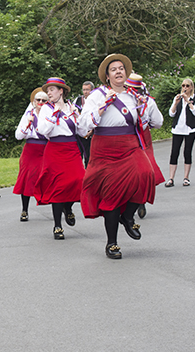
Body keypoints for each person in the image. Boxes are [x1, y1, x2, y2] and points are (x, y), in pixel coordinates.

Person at [79, 54, 155, 259]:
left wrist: (144, 106)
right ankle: (111, 243)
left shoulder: (133, 95)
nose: (119, 71)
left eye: (121, 68)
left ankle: (127, 217)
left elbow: (149, 123)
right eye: (114, 69)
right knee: (111, 195)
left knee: (146, 174)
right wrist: (102, 106)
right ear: (107, 75)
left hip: (129, 144)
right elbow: (83, 125)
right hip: (104, 148)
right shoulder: (96, 95)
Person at [34, 78, 88, 240]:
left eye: (52, 90)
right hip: (55, 149)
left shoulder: (72, 107)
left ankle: (68, 207)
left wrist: (77, 116)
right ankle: (57, 226)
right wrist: (55, 114)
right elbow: (43, 130)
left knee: (79, 180)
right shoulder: (46, 109)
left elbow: (83, 131)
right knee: (57, 187)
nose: (48, 93)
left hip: (71, 148)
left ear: (61, 91)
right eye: (48, 90)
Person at [124, 73, 164, 218]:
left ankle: (131, 201)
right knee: (145, 169)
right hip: (142, 137)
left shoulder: (119, 100)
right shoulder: (148, 101)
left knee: (128, 170)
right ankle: (140, 201)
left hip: (128, 137)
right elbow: (158, 122)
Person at [13, 88, 49, 222]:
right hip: (31, 150)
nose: (40, 102)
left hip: (46, 149)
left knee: (50, 177)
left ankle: (60, 207)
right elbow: (18, 136)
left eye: (44, 100)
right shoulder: (28, 115)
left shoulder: (51, 115)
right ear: (34, 101)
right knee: (27, 178)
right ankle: (24, 210)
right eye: (38, 100)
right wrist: (28, 124)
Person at [165, 78, 195, 187]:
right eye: (183, 86)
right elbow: (171, 114)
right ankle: (171, 178)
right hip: (178, 129)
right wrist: (176, 103)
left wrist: (188, 101)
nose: (185, 88)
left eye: (187, 86)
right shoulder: (178, 98)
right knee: (174, 152)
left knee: (187, 152)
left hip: (190, 129)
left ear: (191, 87)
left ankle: (186, 177)